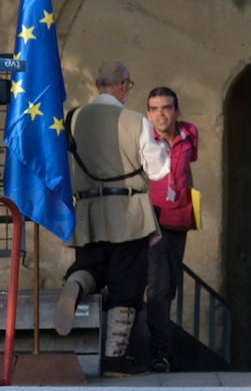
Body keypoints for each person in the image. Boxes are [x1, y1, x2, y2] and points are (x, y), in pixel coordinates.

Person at [54, 61, 169, 377]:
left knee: (91, 264)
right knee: (126, 281)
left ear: (97, 84)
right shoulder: (136, 121)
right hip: (128, 211)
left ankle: (76, 283)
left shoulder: (73, 118)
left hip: (87, 209)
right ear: (124, 85)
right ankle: (114, 360)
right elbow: (159, 169)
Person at [142, 86, 198, 373]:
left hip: (180, 221)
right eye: (154, 109)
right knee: (158, 289)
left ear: (176, 111)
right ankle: (160, 354)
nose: (160, 114)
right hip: (152, 222)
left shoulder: (190, 134)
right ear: (148, 113)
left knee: (170, 288)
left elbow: (189, 168)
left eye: (165, 108)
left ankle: (163, 350)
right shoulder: (144, 138)